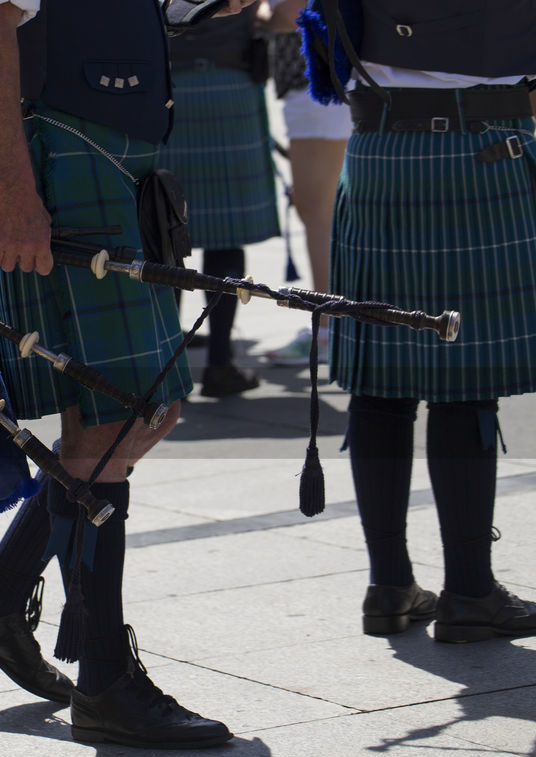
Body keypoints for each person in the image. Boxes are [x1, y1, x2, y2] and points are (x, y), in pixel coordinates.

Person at [0, 0, 253, 748]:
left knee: (140, 410)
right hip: (68, 155)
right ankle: (104, 680)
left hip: (118, 155)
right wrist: (14, 190)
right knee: (116, 416)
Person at [305, 0, 536, 642]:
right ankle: (469, 591)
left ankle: (390, 587)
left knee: (381, 382)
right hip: (479, 150)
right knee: (464, 383)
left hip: (379, 152)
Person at [159, 3, 278, 398]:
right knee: (226, 236)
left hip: (166, 90)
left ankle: (168, 369)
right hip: (228, 85)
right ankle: (220, 363)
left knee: (164, 229)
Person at [261, 0, 349, 366]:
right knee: (322, 211)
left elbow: (289, 14)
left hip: (318, 88)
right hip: (321, 87)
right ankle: (336, 326)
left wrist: (251, 13)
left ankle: (329, 330)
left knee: (317, 213)